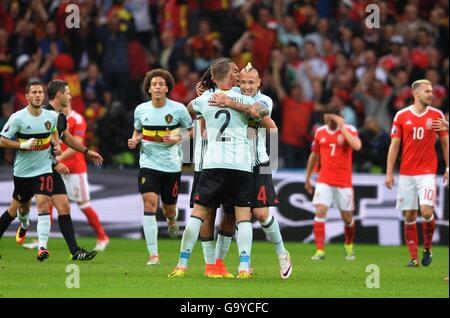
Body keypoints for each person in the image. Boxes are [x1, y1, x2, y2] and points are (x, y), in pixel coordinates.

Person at [169, 57, 268, 279]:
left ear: (213, 77)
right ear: (233, 74)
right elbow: (260, 113)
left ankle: (182, 264)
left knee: (198, 214)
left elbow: (189, 107)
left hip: (213, 163)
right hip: (242, 165)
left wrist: (203, 94)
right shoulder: (245, 97)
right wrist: (235, 102)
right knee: (242, 217)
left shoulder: (205, 99)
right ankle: (243, 266)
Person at [207, 63, 292, 279]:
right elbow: (208, 89)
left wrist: (230, 102)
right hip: (234, 164)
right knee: (228, 217)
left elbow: (258, 112)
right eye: (242, 81)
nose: (246, 86)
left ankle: (282, 252)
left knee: (261, 214)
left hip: (259, 163)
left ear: (259, 83)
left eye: (251, 82)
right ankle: (221, 265)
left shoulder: (265, 100)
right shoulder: (230, 94)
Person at [14, 79, 102, 261]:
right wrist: (55, 163)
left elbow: (67, 139)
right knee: (19, 208)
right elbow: (42, 147)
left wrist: (87, 152)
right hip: (36, 168)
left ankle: (75, 251)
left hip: (48, 166)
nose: (70, 96)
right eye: (68, 93)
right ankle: (25, 226)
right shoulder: (43, 114)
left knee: (63, 206)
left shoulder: (59, 118)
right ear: (59, 95)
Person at [128, 69, 193, 265]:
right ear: (149, 88)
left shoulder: (179, 109)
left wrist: (177, 137)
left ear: (167, 88)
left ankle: (171, 221)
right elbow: (138, 132)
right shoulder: (141, 110)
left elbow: (191, 131)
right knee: (149, 203)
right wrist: (134, 140)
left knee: (169, 209)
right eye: (153, 84)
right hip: (148, 163)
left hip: (171, 166)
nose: (157, 87)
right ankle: (153, 255)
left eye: (160, 84)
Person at [385, 79, 448, 267]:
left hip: (427, 173)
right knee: (410, 216)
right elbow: (394, 145)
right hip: (406, 174)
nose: (431, 94)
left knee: (427, 211)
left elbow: (445, 143)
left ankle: (427, 247)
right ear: (416, 94)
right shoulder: (401, 116)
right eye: (427, 91)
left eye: (432, 91)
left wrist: (448, 167)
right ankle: (413, 257)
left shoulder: (437, 115)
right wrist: (389, 172)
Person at [0, 81, 60, 261]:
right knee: (18, 208)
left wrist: (57, 146)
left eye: (40, 92)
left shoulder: (51, 116)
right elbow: (2, 140)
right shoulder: (18, 118)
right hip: (23, 173)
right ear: (27, 96)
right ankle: (24, 225)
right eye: (34, 92)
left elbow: (54, 135)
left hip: (43, 169)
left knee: (43, 203)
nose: (38, 95)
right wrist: (22, 145)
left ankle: (42, 248)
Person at [305, 104, 362, 261]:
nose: (328, 121)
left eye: (331, 118)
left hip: (344, 182)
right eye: (326, 118)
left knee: (347, 218)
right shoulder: (320, 132)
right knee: (320, 211)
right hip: (324, 180)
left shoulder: (349, 129)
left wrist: (342, 127)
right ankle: (319, 250)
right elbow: (314, 155)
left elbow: (357, 145)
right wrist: (308, 177)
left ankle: (349, 244)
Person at [58, 99, 110, 251]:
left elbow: (76, 146)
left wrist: (57, 159)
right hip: (58, 168)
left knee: (83, 204)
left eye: (67, 96)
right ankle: (41, 242)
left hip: (75, 170)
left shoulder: (78, 119)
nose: (65, 100)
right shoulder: (54, 118)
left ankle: (102, 236)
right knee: (48, 202)